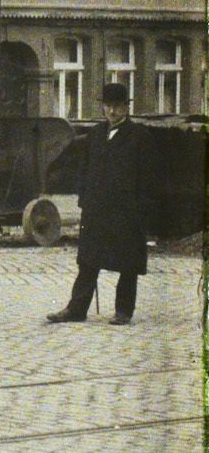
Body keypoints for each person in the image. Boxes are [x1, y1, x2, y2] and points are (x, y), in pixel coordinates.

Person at [47, 82, 152, 326]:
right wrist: (84, 197)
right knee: (88, 260)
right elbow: (84, 169)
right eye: (108, 106)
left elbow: (148, 177)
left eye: (118, 106)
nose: (112, 111)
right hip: (96, 208)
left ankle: (123, 311)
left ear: (126, 107)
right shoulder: (94, 135)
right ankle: (76, 309)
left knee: (128, 262)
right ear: (103, 107)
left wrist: (141, 208)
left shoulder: (140, 137)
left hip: (127, 210)